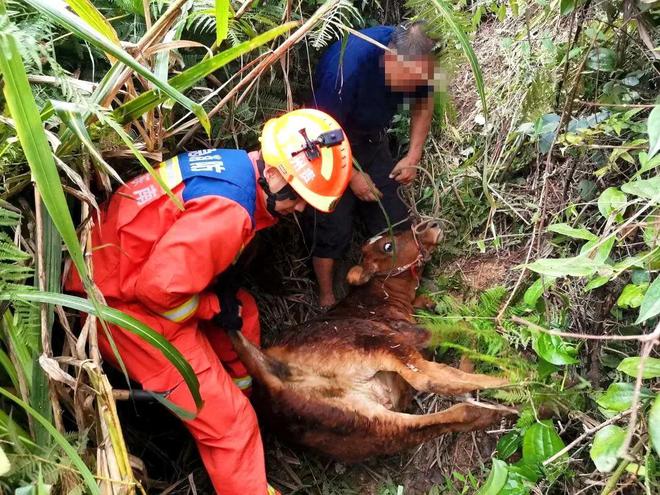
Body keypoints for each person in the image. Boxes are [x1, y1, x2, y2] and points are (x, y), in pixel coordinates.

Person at [65, 109, 352, 495]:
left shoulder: (234, 168)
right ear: (278, 173)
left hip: (114, 266)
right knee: (232, 425)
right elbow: (158, 292)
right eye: (299, 199)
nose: (298, 210)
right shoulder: (229, 214)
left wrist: (224, 305)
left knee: (244, 312)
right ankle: (236, 433)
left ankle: (247, 403)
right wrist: (214, 307)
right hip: (118, 306)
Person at [305, 22, 436, 307]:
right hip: (329, 144)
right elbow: (317, 128)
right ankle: (327, 299)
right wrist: (351, 175)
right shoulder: (346, 68)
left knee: (395, 219)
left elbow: (423, 103)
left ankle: (399, 292)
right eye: (405, 80)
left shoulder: (418, 63)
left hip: (372, 141)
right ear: (389, 58)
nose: (410, 88)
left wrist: (413, 156)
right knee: (333, 227)